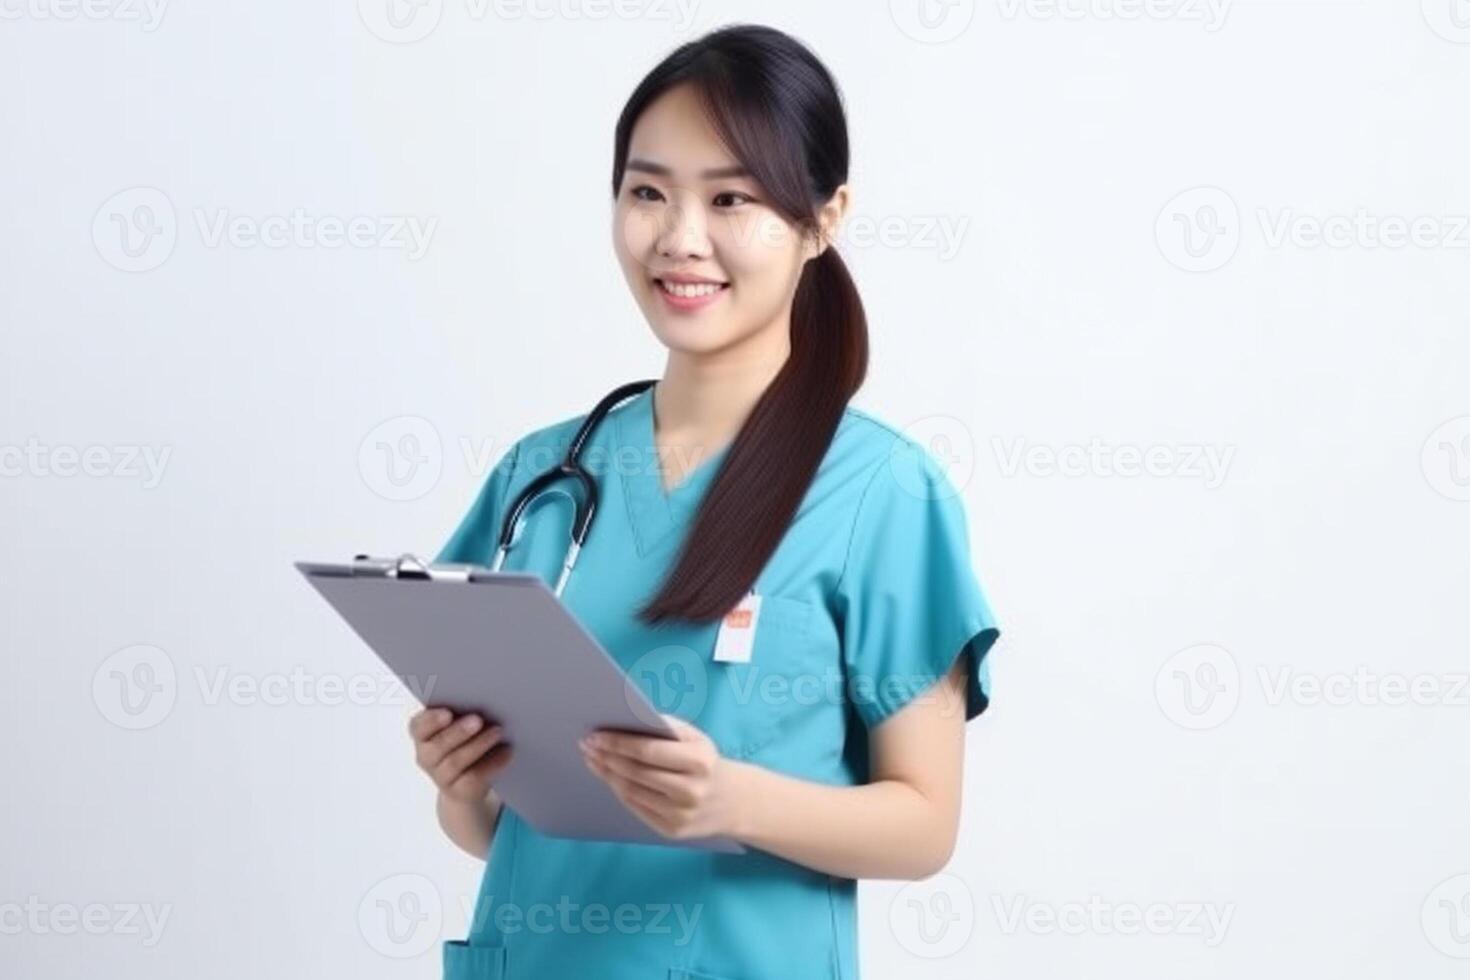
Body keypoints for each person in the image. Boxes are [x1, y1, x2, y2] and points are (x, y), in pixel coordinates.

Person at [408, 23, 1001, 980]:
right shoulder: (540, 474)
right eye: (648, 193)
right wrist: (460, 786)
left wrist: (732, 802)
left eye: (731, 198)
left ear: (822, 218)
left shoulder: (882, 494)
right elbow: (502, 835)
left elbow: (925, 824)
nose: (680, 239)